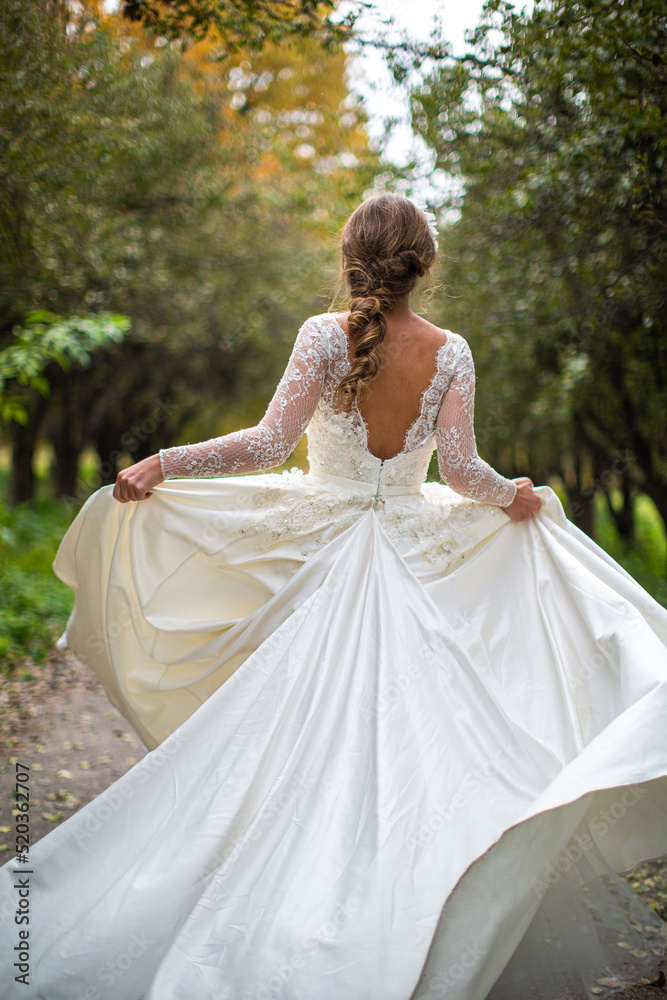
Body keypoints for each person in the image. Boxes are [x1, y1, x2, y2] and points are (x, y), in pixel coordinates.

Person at [0, 193, 666, 1000]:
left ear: (352, 256)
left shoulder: (324, 336)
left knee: (286, 739)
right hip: (418, 557)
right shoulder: (450, 350)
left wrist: (164, 462)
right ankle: (405, 899)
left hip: (324, 552)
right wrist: (512, 496)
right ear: (425, 265)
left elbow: (268, 444)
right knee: (420, 740)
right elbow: (460, 471)